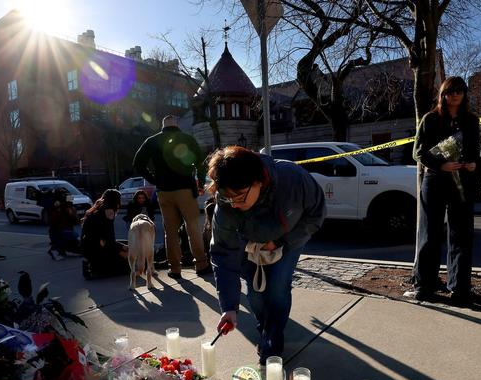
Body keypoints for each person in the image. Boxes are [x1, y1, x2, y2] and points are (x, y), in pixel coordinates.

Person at [208, 146, 325, 365]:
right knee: (256, 295)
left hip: (289, 240)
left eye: (239, 197)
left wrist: (281, 242)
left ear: (258, 181)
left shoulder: (293, 179)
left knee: (278, 287)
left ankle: (273, 341)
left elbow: (316, 214)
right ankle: (265, 327)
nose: (235, 204)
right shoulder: (226, 204)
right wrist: (229, 308)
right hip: (249, 244)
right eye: (228, 197)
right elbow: (223, 253)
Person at [404, 76, 480, 305]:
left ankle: (459, 287)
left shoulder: (471, 121)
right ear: (443, 94)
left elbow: (476, 151)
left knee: (461, 235)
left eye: (459, 90)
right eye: (450, 91)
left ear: (465, 94)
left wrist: (474, 163)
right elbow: (418, 152)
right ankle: (424, 285)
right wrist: (440, 164)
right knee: (430, 234)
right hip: (435, 180)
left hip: (461, 182)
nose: (455, 94)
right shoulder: (430, 119)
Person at [133, 115, 211, 279]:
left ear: (163, 125)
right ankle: (201, 264)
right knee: (193, 227)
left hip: (163, 191)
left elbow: (138, 163)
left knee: (170, 230)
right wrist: (201, 182)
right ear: (177, 125)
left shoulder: (152, 141)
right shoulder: (187, 139)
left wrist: (155, 179)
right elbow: (200, 163)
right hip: (185, 189)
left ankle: (174, 268)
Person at [80, 189, 129, 279]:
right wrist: (122, 250)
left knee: (125, 244)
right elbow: (109, 239)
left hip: (88, 246)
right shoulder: (109, 211)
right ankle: (96, 267)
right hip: (95, 247)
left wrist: (122, 246)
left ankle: (93, 266)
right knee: (127, 267)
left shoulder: (99, 209)